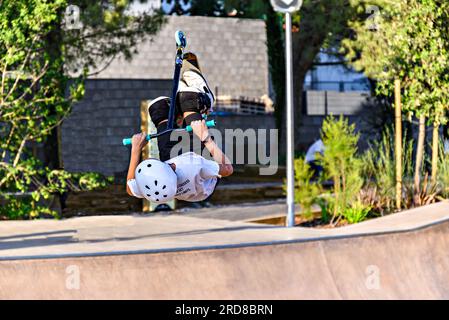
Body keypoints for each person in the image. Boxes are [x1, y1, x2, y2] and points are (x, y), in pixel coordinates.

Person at [126, 53, 233, 204]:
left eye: (167, 163)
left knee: (158, 108)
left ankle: (178, 112)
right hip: (203, 183)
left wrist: (135, 150)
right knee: (188, 99)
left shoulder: (148, 185)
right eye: (172, 165)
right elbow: (227, 169)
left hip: (176, 182)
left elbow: (130, 188)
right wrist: (205, 138)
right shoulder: (194, 165)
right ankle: (202, 102)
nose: (172, 162)